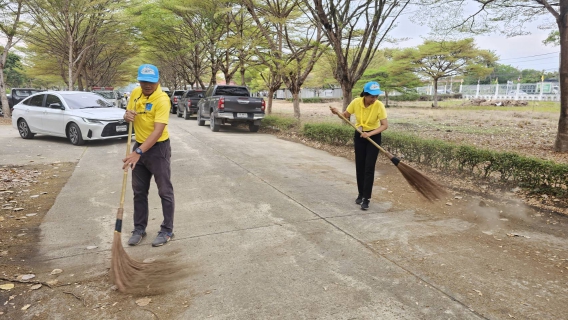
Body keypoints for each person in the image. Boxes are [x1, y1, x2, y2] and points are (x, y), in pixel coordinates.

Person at [122, 64, 175, 247]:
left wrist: (138, 152)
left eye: (151, 82)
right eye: (144, 81)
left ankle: (167, 230)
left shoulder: (162, 99)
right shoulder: (135, 93)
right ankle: (139, 228)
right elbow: (128, 115)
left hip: (158, 149)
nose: (147, 85)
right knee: (139, 191)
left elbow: (158, 131)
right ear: (139, 80)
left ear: (158, 80)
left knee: (164, 191)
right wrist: (126, 116)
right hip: (140, 147)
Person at [331, 81, 388, 210]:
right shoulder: (356, 102)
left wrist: (370, 134)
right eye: (372, 96)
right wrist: (338, 113)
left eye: (376, 96)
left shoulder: (379, 105)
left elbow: (384, 125)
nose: (374, 99)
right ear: (365, 95)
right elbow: (346, 116)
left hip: (374, 137)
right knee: (360, 166)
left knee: (369, 167)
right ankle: (360, 193)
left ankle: (366, 198)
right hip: (359, 136)